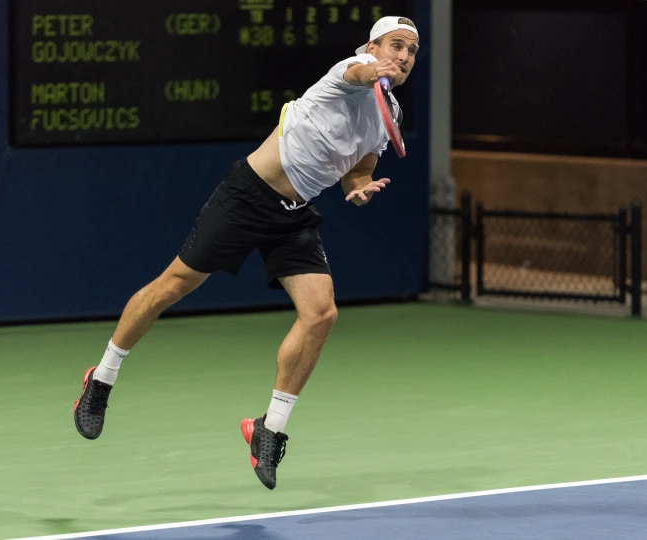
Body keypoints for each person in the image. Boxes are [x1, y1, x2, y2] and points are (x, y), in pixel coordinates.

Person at [73, 16, 420, 490]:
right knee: (171, 287)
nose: (402, 56)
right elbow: (364, 74)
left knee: (321, 315)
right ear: (370, 47)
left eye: (411, 51)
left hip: (294, 214)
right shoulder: (353, 70)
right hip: (247, 196)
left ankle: (268, 429)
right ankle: (101, 379)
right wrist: (374, 70)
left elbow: (359, 167)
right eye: (395, 46)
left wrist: (359, 188)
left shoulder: (389, 115)